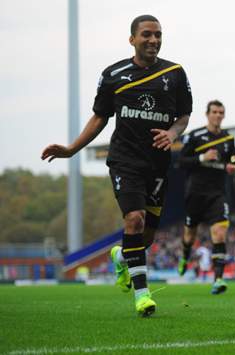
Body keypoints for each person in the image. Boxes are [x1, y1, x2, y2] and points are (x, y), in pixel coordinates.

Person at [41, 15, 192, 317]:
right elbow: (100, 117)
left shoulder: (175, 74)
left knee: (145, 237)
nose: (153, 40)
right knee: (133, 219)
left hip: (158, 165)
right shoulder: (113, 75)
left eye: (158, 35)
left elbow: (184, 116)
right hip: (125, 160)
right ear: (132, 39)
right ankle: (143, 295)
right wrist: (72, 149)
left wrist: (172, 134)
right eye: (147, 35)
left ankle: (121, 257)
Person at [177, 100, 235, 294]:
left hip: (217, 194)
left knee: (219, 233)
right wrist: (202, 158)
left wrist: (230, 166)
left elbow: (228, 162)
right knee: (189, 235)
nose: (218, 115)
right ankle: (185, 256)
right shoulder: (195, 136)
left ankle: (218, 279)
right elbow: (181, 162)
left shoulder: (228, 139)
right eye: (215, 112)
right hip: (195, 194)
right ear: (207, 114)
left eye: (221, 112)